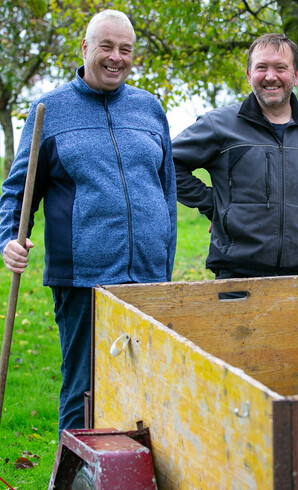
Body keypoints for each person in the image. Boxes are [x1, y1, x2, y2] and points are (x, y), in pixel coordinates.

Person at [0, 10, 177, 436]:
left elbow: (167, 190)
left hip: (149, 278)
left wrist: (166, 257)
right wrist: (7, 238)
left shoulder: (149, 108)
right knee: (84, 389)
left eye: (126, 49)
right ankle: (73, 479)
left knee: (145, 388)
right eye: (107, 47)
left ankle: (133, 474)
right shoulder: (50, 110)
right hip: (83, 280)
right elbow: (18, 190)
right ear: (84, 49)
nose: (116, 57)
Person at [172, 33, 298, 280]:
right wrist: (214, 205)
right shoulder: (219, 125)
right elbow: (169, 164)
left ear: (296, 75)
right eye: (261, 67)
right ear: (248, 75)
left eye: (281, 68)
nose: (270, 76)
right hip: (236, 274)